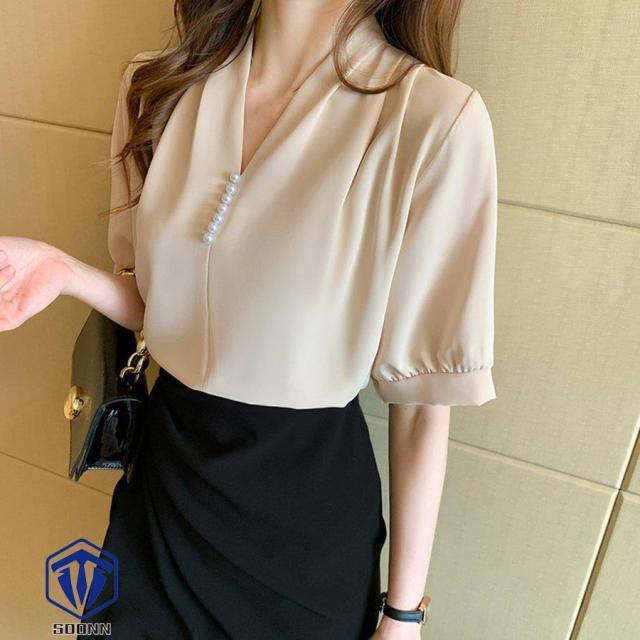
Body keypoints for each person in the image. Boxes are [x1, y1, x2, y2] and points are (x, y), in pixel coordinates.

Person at [0, 0, 498, 638]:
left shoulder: (432, 119)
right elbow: (161, 309)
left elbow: (424, 403)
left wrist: (402, 617)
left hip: (303, 534)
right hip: (165, 483)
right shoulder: (159, 86)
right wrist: (65, 271)